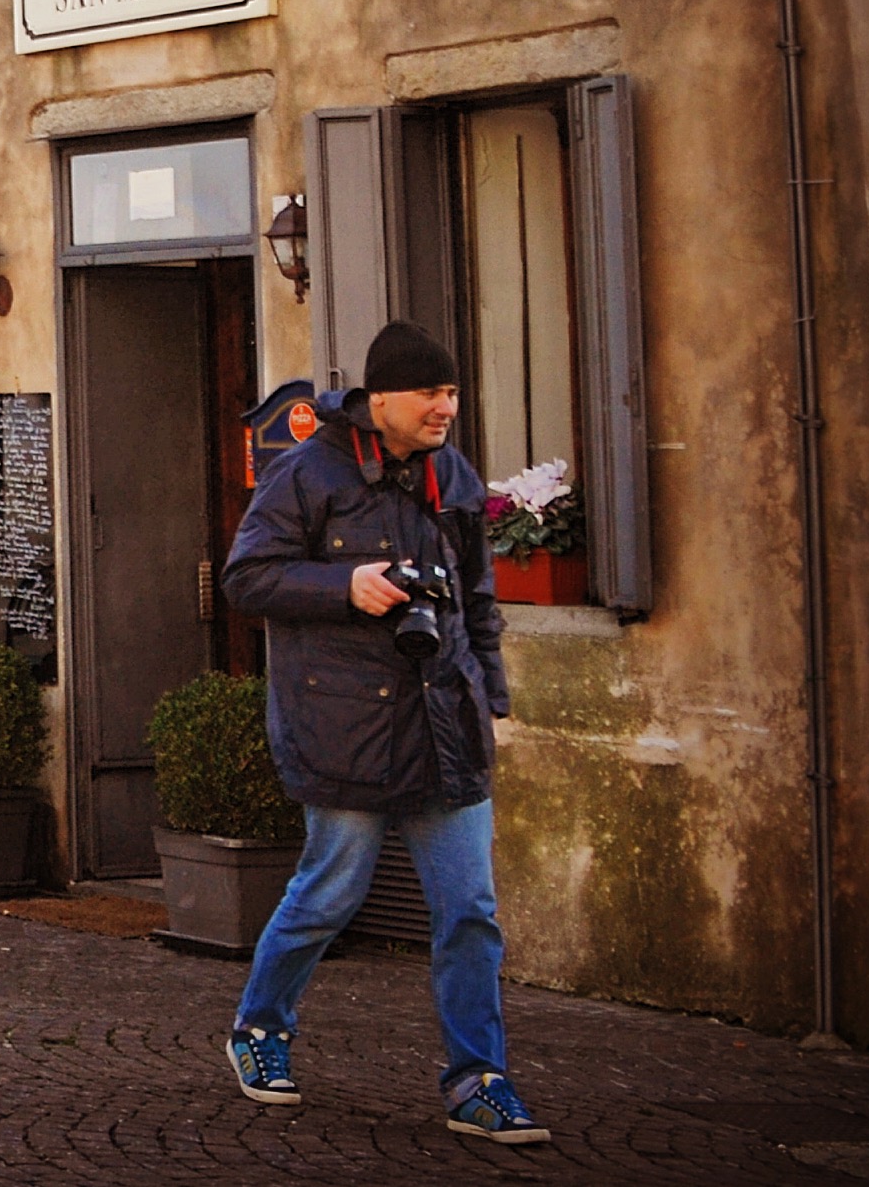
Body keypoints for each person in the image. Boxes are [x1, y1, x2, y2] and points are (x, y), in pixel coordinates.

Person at [220, 321, 545, 1144]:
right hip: (346, 725)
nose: (448, 407)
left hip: (447, 722)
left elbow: (476, 596)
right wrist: (344, 586)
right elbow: (246, 576)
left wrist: (489, 697)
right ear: (384, 399)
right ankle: (259, 1028)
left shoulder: (455, 473)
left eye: (454, 392)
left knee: (470, 909)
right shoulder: (308, 471)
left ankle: (479, 1080)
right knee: (329, 893)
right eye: (433, 393)